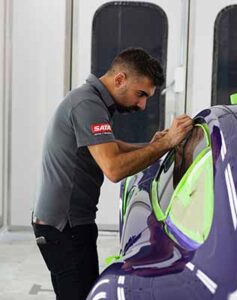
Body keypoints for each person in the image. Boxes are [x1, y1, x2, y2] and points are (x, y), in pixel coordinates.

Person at [32, 47, 193, 300]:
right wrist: (163, 145)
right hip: (65, 227)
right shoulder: (88, 104)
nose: (142, 105)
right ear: (120, 79)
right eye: (140, 94)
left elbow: (111, 145)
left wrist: (155, 145)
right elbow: (114, 168)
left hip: (66, 222)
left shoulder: (90, 99)